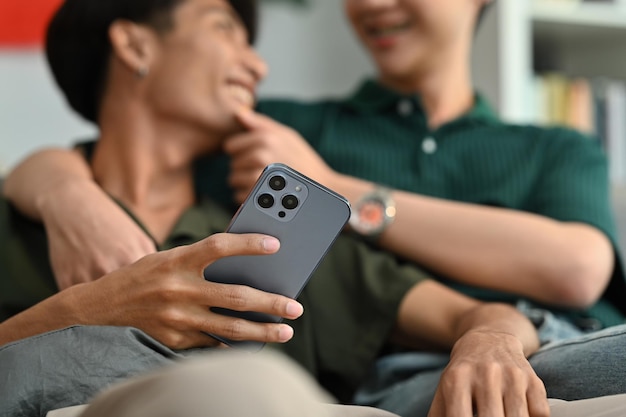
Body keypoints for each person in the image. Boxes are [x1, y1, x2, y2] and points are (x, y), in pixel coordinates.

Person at [4, 0, 626, 415]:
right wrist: (67, 198)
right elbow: (83, 162)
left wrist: (337, 187)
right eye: (226, 29)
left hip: (524, 342)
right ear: (135, 45)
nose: (257, 65)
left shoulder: (295, 201)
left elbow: (573, 269)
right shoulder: (283, 144)